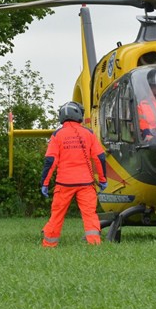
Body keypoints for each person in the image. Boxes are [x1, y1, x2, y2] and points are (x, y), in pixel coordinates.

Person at [40, 101, 108, 247]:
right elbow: (100, 158)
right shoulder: (88, 133)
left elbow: (50, 161)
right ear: (78, 115)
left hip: (63, 184)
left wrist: (44, 183)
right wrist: (103, 180)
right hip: (86, 184)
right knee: (90, 215)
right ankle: (95, 244)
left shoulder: (57, 135)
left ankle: (49, 244)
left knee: (57, 215)